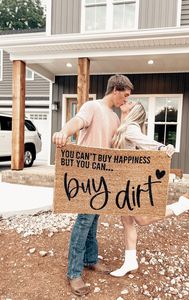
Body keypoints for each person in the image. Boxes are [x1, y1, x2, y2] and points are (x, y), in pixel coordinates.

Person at [52, 74, 134, 296]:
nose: (124, 101)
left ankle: (90, 259)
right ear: (115, 89)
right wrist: (63, 133)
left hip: (103, 177)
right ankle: (74, 272)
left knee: (94, 217)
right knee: (84, 220)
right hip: (86, 176)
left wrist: (126, 115)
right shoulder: (92, 107)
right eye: (124, 96)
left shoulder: (116, 118)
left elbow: (118, 144)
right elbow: (77, 122)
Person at [110, 101, 189, 277]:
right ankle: (130, 262)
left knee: (142, 220)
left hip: (131, 182)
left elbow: (147, 143)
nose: (126, 101)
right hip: (123, 181)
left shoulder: (130, 127)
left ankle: (183, 204)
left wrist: (162, 148)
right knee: (127, 221)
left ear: (134, 110)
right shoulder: (123, 125)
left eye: (130, 102)